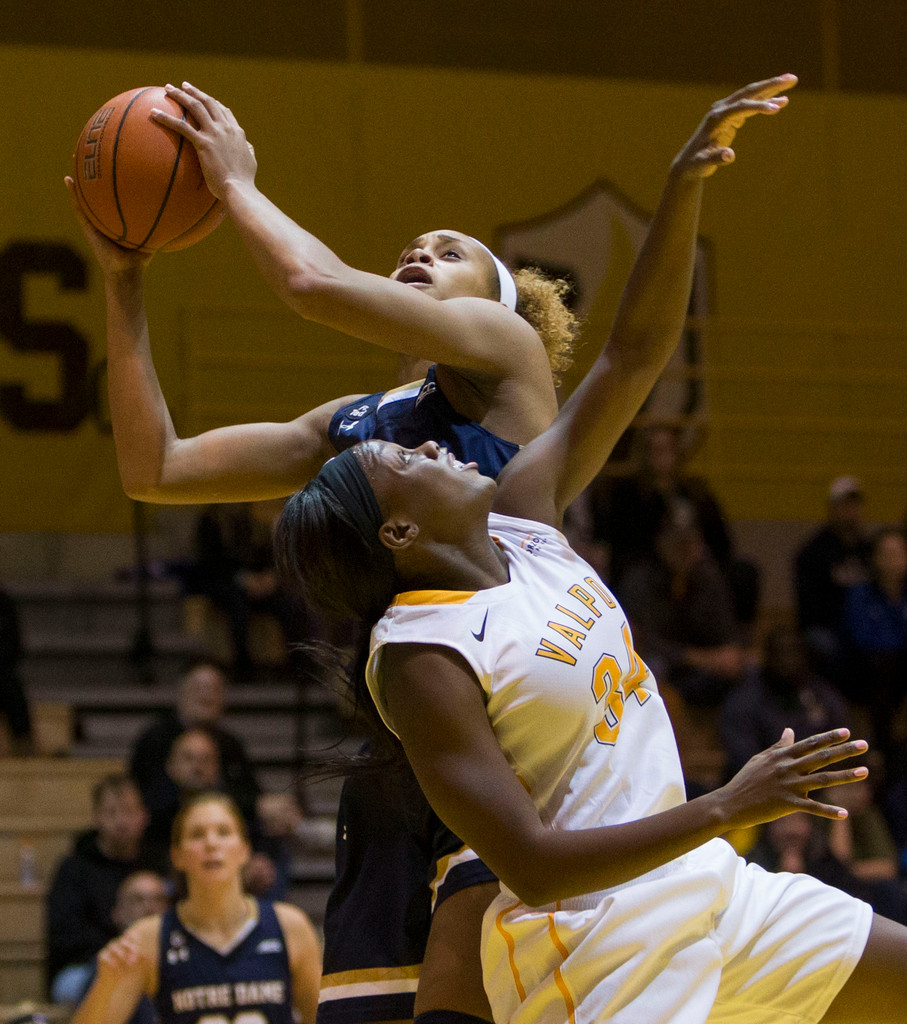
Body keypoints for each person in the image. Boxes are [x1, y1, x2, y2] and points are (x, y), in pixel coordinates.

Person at [67, 73, 794, 1024]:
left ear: (491, 301)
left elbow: (313, 285)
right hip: (401, 745)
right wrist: (124, 283)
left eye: (451, 252)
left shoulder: (504, 355)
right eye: (414, 244)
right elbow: (153, 466)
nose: (422, 249)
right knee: (371, 1006)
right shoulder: (360, 433)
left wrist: (235, 183)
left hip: (514, 736)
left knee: (461, 983)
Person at [274, 96, 907, 1024]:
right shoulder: (417, 658)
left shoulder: (524, 520)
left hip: (710, 887)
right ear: (398, 534)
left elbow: (635, 354)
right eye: (405, 460)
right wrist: (726, 806)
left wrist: (679, 187)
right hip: (593, 948)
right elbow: (525, 863)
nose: (432, 446)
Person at [72, 791, 321, 1024]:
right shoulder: (149, 938)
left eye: (223, 832)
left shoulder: (289, 927)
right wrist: (106, 985)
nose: (211, 843)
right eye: (197, 835)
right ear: (177, 854)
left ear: (244, 849)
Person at [46, 774, 159, 1004]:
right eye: (111, 812)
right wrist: (119, 950)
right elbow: (66, 937)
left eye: (128, 811)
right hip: (82, 968)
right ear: (96, 818)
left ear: (144, 816)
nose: (121, 821)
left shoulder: (159, 863)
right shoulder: (73, 869)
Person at [141, 727, 283, 899]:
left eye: (205, 759)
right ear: (170, 765)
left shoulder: (236, 811)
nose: (197, 767)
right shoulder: (153, 813)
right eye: (189, 758)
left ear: (217, 767)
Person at [795, 475, 872, 686]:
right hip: (828, 628)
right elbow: (809, 610)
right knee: (822, 643)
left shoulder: (869, 550)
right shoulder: (813, 552)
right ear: (832, 508)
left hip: (864, 626)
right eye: (844, 505)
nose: (850, 511)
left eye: (854, 504)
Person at [74, 871, 171, 1024]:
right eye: (137, 900)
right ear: (117, 913)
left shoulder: (186, 957)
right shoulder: (109, 964)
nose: (150, 907)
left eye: (158, 899)